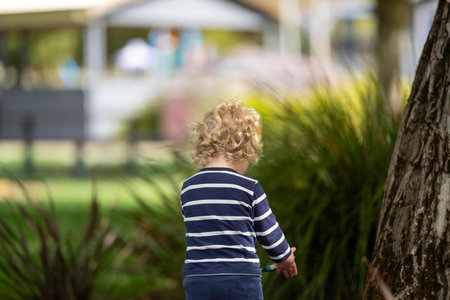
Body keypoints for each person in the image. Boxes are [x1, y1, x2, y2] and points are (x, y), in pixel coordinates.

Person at [181, 101, 297, 299]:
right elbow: (268, 232)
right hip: (240, 280)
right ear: (244, 149)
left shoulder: (188, 188)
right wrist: (285, 257)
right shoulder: (250, 188)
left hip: (198, 279)